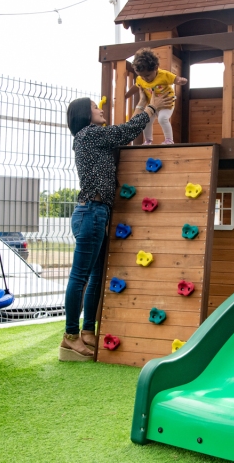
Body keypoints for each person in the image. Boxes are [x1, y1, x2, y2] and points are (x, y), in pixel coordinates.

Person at [61, 91, 174, 361]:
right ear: (85, 115)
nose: (100, 109)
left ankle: (88, 330)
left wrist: (141, 107)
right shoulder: (89, 134)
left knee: (97, 275)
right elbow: (126, 131)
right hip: (91, 210)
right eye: (94, 107)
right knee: (80, 276)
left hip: (98, 211)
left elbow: (122, 129)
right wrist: (151, 108)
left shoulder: (93, 137)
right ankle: (70, 336)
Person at [125, 48, 187, 145]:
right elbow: (135, 87)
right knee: (146, 119)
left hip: (166, 102)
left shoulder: (163, 75)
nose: (145, 78)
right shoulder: (140, 79)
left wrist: (180, 80)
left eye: (148, 75)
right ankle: (148, 140)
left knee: (162, 118)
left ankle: (169, 140)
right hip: (152, 104)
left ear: (156, 67)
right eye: (142, 76)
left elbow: (174, 78)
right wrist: (126, 96)